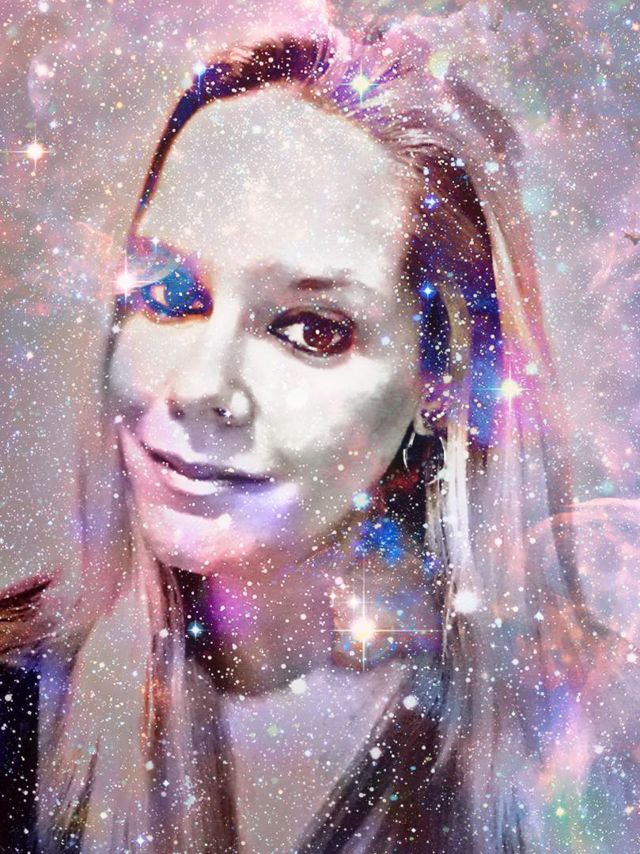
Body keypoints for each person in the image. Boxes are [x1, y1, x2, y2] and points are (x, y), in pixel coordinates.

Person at [1, 21, 639, 854]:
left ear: (442, 380)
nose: (198, 386)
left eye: (312, 329)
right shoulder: (17, 699)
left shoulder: (596, 738)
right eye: (169, 293)